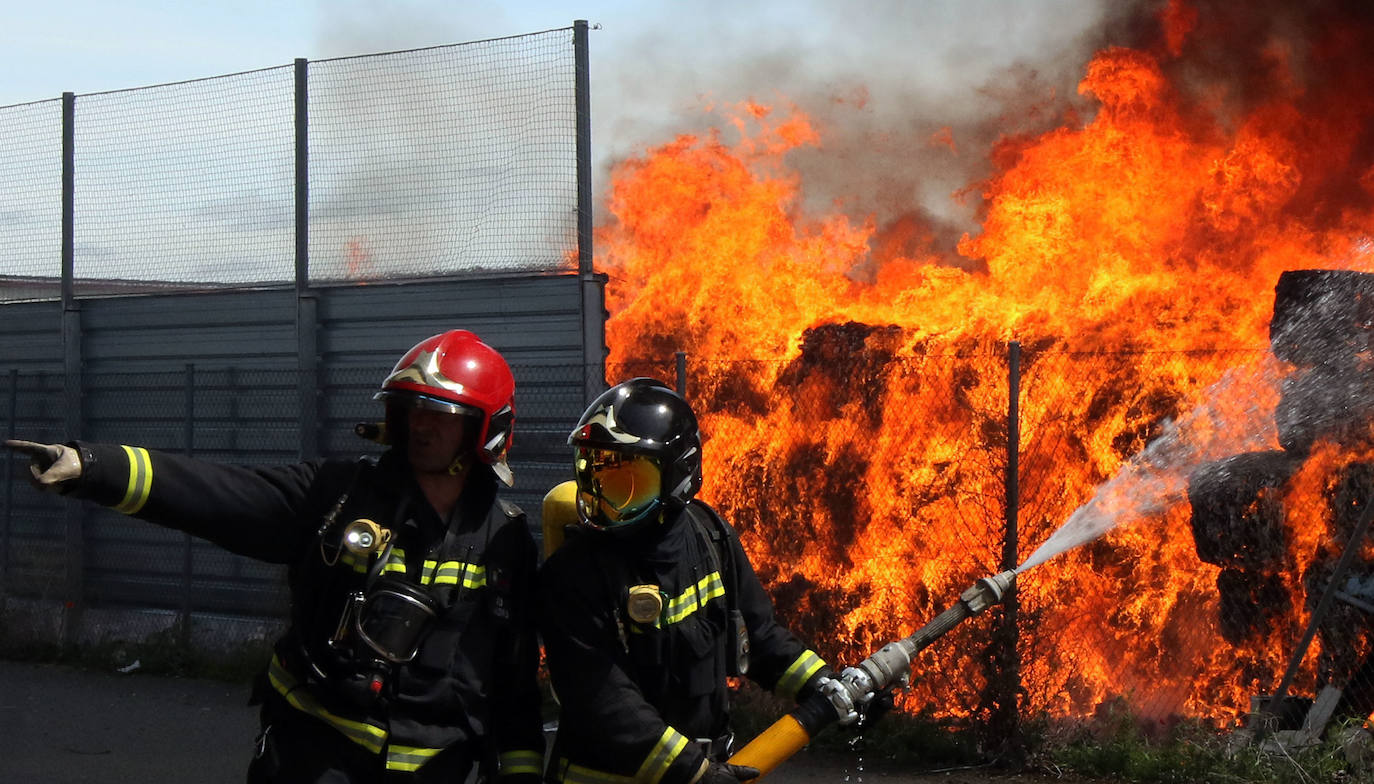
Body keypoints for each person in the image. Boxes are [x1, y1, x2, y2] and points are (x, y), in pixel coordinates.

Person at [6, 329, 545, 784]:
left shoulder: (506, 541)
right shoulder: (335, 495)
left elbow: (514, 686)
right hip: (313, 758)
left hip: (439, 769)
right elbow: (214, 495)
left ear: (485, 432)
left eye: (441, 415)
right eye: (412, 411)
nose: (421, 426)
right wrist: (95, 468)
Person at [537, 378, 834, 784]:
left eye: (629, 482)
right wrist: (693, 772)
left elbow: (759, 634)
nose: (606, 500)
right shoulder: (573, 573)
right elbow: (604, 701)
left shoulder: (710, 536)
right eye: (598, 477)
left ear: (679, 474)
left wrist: (824, 684)